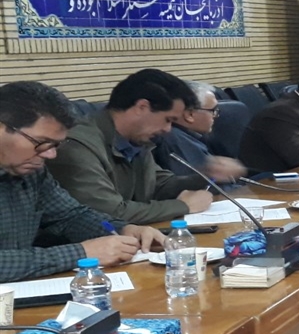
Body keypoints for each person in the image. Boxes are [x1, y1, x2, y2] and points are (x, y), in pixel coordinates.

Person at [0, 82, 164, 282]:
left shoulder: (31, 172)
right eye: (42, 143)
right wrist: (82, 253)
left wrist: (123, 229)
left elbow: (71, 216)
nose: (51, 155)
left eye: (56, 145)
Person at [47, 69, 221, 224]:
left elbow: (158, 185)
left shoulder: (137, 139)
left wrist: (208, 176)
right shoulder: (77, 146)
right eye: (168, 120)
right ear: (142, 107)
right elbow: (108, 212)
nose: (168, 129)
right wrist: (183, 206)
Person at [152, 81, 248, 180]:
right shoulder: (175, 141)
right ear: (189, 115)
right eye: (213, 110)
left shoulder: (193, 135)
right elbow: (203, 185)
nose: (216, 116)